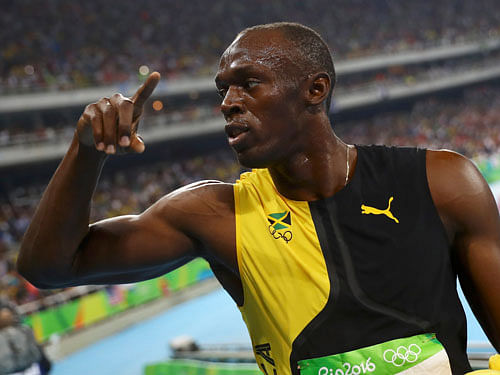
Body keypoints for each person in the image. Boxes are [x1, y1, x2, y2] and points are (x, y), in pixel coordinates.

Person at [17, 22, 500, 375]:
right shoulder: (213, 214)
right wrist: (87, 154)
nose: (227, 103)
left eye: (248, 83)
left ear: (315, 89)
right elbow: (50, 267)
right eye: (222, 90)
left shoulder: (442, 181)